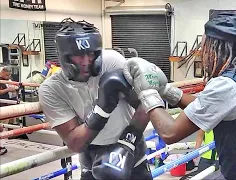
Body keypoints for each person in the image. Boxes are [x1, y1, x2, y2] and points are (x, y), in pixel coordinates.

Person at [123, 12, 236, 179]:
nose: (202, 51)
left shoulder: (227, 85)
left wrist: (147, 91)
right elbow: (207, 105)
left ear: (215, 47)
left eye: (205, 45)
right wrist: (165, 90)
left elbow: (170, 133)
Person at [38, 18, 152, 180]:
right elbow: (75, 142)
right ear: (63, 56)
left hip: (132, 147)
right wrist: (102, 110)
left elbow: (144, 104)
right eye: (78, 56)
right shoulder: (52, 90)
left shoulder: (112, 62)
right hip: (92, 160)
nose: (86, 61)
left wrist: (126, 145)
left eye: (90, 53)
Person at [0, 66, 18, 156]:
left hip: (10, 102)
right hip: (2, 104)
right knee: (2, 124)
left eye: (9, 75)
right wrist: (8, 89)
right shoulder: (0, 80)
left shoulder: (9, 79)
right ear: (2, 72)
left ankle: (9, 136)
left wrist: (16, 88)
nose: (8, 76)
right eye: (7, 75)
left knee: (9, 122)